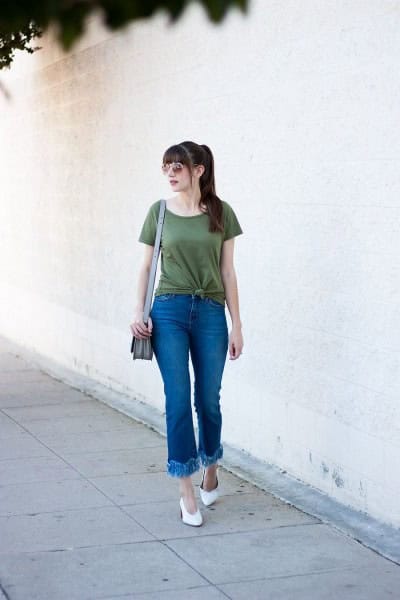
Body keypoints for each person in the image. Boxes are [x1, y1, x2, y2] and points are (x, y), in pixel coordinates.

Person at [130, 141, 243, 527]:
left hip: (211, 312)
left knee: (208, 399)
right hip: (169, 312)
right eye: (166, 167)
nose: (171, 173)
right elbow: (146, 267)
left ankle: (211, 464)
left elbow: (228, 272)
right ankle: (186, 489)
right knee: (177, 399)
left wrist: (237, 325)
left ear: (199, 170)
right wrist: (137, 312)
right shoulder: (159, 212)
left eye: (178, 166)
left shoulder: (221, 213)